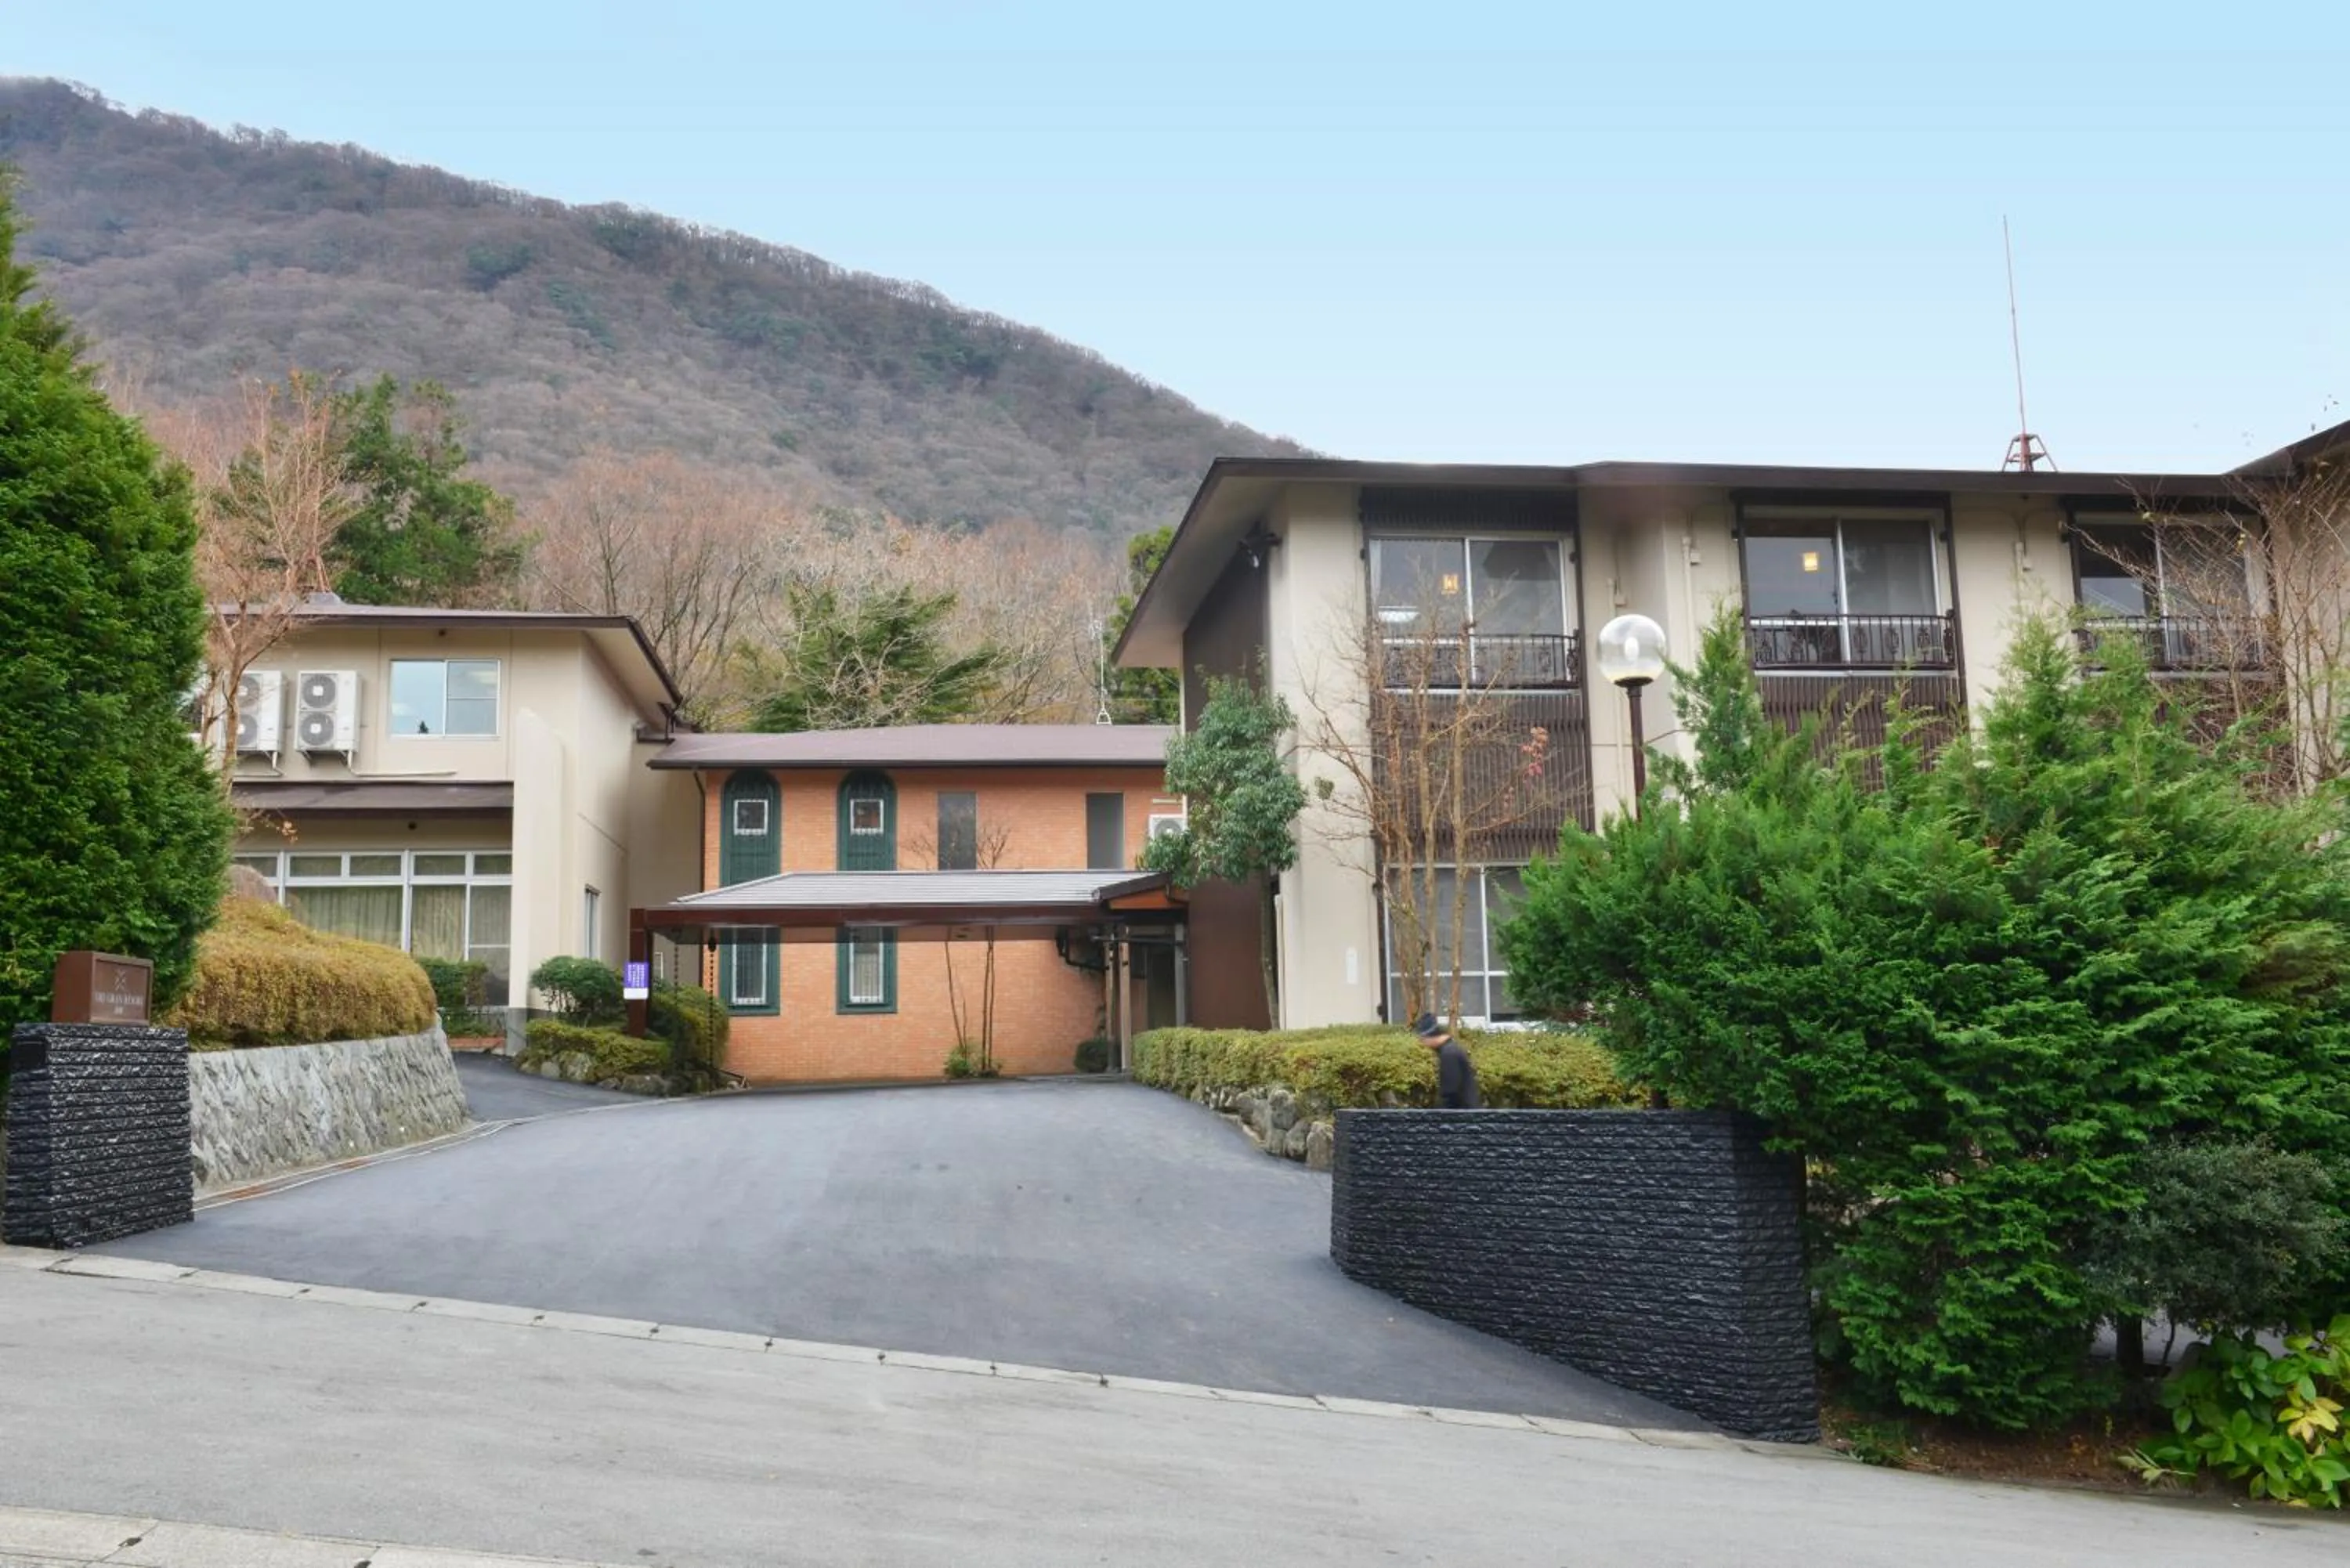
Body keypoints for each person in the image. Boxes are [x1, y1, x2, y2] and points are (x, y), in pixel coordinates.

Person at [1415, 1012, 1481, 1109]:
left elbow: (1450, 1094)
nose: (1424, 1044)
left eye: (1423, 1040)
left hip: (1463, 1117)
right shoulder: (1450, 1050)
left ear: (1429, 1038)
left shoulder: (1449, 1055)